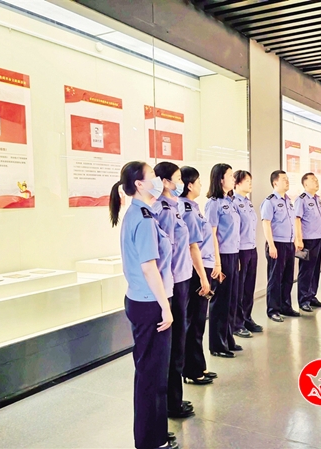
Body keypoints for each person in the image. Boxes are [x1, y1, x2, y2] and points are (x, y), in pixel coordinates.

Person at [108, 161, 177, 449]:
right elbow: (149, 268)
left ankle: (155, 434)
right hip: (150, 304)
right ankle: (150, 441)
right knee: (153, 376)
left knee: (150, 373)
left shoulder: (138, 212)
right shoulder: (144, 218)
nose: (157, 181)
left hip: (140, 300)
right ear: (139, 184)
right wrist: (166, 307)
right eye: (152, 176)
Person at [153, 162, 209, 419]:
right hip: (175, 283)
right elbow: (165, 254)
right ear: (165, 182)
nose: (180, 183)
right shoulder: (164, 210)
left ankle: (175, 399)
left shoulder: (174, 207)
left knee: (179, 342)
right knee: (175, 345)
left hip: (182, 279)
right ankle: (172, 403)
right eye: (176, 179)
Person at [178, 166, 218, 384]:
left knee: (198, 321)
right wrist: (203, 277)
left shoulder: (193, 207)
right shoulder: (187, 210)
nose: (201, 185)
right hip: (196, 270)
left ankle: (198, 366)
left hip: (202, 267)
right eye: (199, 181)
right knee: (194, 321)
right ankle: (192, 371)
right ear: (190, 185)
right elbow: (193, 247)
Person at [205, 163, 242, 358]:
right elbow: (212, 234)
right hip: (222, 257)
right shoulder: (214, 204)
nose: (233, 179)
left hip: (233, 254)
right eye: (230, 176)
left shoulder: (231, 201)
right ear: (220, 179)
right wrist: (217, 263)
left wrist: (236, 258)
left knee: (231, 300)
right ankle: (217, 345)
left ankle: (228, 339)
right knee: (220, 302)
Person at [260, 170, 299, 322]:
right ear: (275, 182)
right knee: (275, 278)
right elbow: (266, 223)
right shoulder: (270, 201)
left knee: (288, 277)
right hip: (276, 244)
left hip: (289, 244)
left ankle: (285, 306)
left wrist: (295, 240)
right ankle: (273, 310)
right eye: (284, 179)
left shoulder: (288, 200)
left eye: (287, 179)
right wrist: (271, 245)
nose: (287, 181)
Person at [232, 170, 263, 337]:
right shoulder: (233, 202)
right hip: (240, 250)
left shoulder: (248, 202)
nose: (250, 184)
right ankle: (237, 323)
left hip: (251, 248)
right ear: (237, 183)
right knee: (239, 288)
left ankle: (247, 318)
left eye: (251, 181)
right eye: (246, 181)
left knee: (249, 287)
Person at [294, 173, 321, 312]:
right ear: (305, 184)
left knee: (315, 270)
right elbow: (297, 219)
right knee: (306, 270)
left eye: (317, 180)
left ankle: (311, 296)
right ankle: (303, 300)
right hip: (308, 240)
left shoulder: (317, 199)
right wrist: (298, 239)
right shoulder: (301, 199)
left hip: (319, 238)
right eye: (313, 180)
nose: (316, 182)